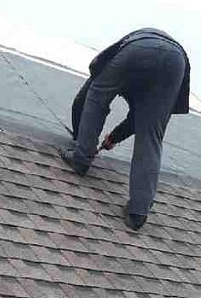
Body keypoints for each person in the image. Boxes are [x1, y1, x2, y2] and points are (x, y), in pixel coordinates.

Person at [61, 29, 191, 230]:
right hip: (176, 61)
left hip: (140, 47)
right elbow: (137, 119)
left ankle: (81, 160)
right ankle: (138, 213)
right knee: (151, 135)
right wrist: (113, 138)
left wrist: (80, 142)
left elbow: (84, 100)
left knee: (97, 95)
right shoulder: (144, 86)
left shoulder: (117, 64)